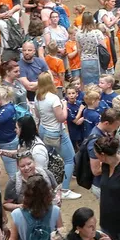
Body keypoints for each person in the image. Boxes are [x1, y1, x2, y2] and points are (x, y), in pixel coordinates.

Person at [35, 71, 79, 199]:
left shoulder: (38, 97)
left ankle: (47, 184)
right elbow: (61, 118)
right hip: (55, 132)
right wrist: (64, 105)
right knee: (70, 159)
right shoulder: (53, 99)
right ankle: (65, 189)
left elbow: (37, 115)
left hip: (43, 129)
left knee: (46, 158)